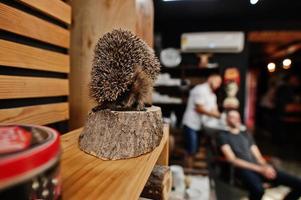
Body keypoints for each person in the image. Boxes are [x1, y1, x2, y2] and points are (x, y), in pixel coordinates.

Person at [219, 110, 301, 200]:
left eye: (238, 117)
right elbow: (232, 160)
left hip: (260, 167)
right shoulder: (223, 136)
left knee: (298, 183)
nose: (237, 119)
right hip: (244, 169)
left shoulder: (246, 134)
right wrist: (261, 169)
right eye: (232, 117)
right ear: (226, 119)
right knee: (258, 190)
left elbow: (258, 156)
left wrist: (266, 167)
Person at [182, 73, 222, 168]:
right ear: (210, 79)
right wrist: (217, 115)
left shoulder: (212, 95)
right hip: (190, 124)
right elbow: (199, 108)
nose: (218, 84)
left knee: (195, 150)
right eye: (217, 81)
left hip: (200, 125)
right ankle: (188, 171)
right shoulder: (200, 89)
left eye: (220, 83)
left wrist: (220, 116)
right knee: (191, 150)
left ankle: (190, 170)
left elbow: (214, 110)